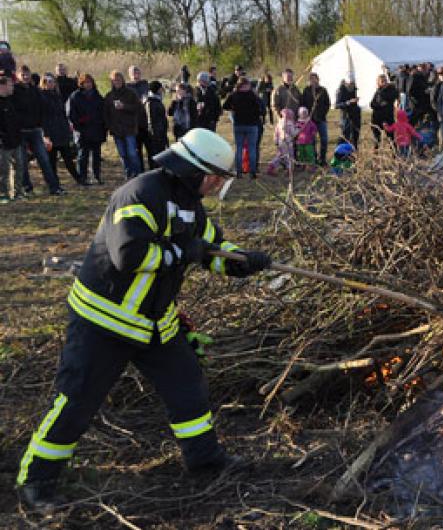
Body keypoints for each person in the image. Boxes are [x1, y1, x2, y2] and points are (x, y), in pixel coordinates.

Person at [14, 128, 272, 511]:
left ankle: (205, 460)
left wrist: (242, 261)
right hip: (105, 322)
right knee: (77, 400)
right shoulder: (139, 195)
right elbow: (129, 255)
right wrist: (183, 252)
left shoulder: (190, 204)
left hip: (154, 324)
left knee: (187, 387)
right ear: (193, 170)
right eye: (216, 176)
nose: (218, 184)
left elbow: (210, 248)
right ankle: (37, 480)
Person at [14, 65, 65, 195]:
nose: (26, 77)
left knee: (44, 159)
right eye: (23, 75)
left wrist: (43, 129)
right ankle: (27, 187)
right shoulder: (14, 91)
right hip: (21, 131)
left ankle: (54, 187)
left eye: (27, 74)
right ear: (18, 76)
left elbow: (42, 109)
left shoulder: (35, 90)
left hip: (36, 130)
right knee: (22, 162)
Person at [39, 73, 82, 185]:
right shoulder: (41, 97)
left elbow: (63, 114)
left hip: (61, 130)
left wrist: (67, 128)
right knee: (52, 160)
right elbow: (42, 117)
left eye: (52, 81)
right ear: (44, 83)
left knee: (68, 158)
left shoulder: (58, 96)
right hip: (50, 132)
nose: (50, 84)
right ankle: (54, 182)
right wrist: (45, 134)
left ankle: (79, 179)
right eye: (48, 82)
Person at [68, 74, 106, 185]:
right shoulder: (75, 96)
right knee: (82, 155)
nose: (88, 84)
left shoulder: (97, 96)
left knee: (96, 155)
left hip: (96, 129)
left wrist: (102, 125)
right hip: (82, 130)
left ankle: (96, 176)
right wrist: (79, 123)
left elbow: (102, 112)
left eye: (90, 82)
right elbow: (71, 114)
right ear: (81, 84)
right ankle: (82, 177)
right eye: (86, 82)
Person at [221, 77, 263, 178]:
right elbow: (261, 108)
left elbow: (225, 106)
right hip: (252, 124)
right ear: (247, 85)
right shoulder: (252, 95)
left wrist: (234, 108)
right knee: (252, 148)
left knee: (239, 148)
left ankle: (238, 171)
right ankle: (252, 171)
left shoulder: (234, 95)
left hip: (238, 124)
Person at [104, 70, 142, 179]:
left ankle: (137, 173)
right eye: (114, 80)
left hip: (129, 128)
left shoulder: (130, 93)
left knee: (132, 153)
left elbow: (138, 108)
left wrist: (124, 107)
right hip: (116, 129)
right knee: (123, 154)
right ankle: (128, 173)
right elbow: (105, 113)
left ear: (123, 80)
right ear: (111, 82)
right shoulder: (109, 96)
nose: (117, 82)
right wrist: (109, 126)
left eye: (119, 80)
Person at [0, 73, 24, 203]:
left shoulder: (11, 101)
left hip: (16, 141)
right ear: (2, 86)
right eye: (10, 85)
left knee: (20, 166)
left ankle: (18, 192)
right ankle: (4, 194)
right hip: (4, 143)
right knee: (4, 170)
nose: (12, 87)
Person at [301, 72, 331, 162]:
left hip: (321, 119)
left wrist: (323, 113)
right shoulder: (306, 90)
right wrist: (306, 116)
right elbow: (303, 103)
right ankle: (314, 158)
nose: (313, 81)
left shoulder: (323, 90)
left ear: (318, 79)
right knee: (312, 140)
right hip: (310, 120)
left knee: (324, 139)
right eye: (311, 79)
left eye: (315, 79)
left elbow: (327, 103)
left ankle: (322, 159)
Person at [127, 66, 151, 172]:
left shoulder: (145, 85)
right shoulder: (127, 87)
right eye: (133, 73)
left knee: (151, 149)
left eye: (137, 73)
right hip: (134, 123)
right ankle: (140, 171)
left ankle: (153, 169)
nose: (136, 75)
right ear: (129, 75)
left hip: (146, 121)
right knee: (137, 150)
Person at [369, 74, 398, 150]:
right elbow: (372, 104)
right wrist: (379, 105)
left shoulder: (391, 90)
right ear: (378, 82)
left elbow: (391, 98)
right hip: (377, 117)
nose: (384, 83)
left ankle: (394, 153)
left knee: (390, 136)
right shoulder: (378, 91)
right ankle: (376, 152)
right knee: (376, 137)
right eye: (382, 81)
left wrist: (382, 103)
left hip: (387, 117)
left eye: (385, 81)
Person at [269, 107, 297, 176]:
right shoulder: (290, 123)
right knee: (289, 156)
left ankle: (272, 165)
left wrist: (276, 141)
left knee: (281, 155)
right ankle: (289, 169)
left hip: (280, 142)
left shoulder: (280, 122)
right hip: (287, 142)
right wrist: (298, 130)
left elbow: (276, 132)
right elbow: (293, 133)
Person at [335, 73, 360, 148]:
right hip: (345, 115)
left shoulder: (354, 88)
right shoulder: (340, 90)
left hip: (355, 114)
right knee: (345, 135)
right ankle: (341, 150)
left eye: (352, 83)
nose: (351, 85)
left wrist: (355, 101)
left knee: (355, 134)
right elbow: (337, 105)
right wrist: (348, 102)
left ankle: (354, 150)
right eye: (350, 83)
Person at [146, 81, 169, 162]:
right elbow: (150, 121)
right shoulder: (151, 102)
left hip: (160, 132)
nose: (162, 90)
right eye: (160, 88)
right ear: (157, 89)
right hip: (156, 135)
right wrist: (156, 135)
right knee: (156, 155)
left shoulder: (157, 100)